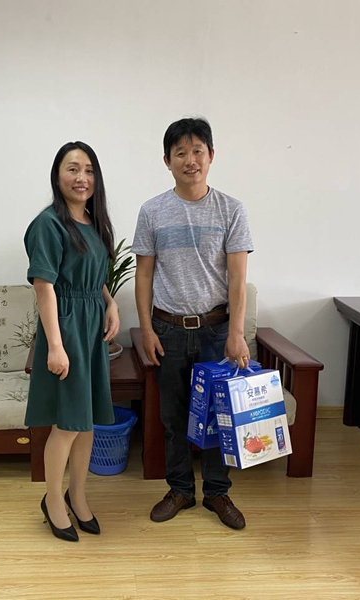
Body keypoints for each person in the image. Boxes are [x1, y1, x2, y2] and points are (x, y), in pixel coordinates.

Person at [132, 117, 253, 530]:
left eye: (197, 151)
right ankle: (180, 489)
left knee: (220, 416)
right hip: (167, 329)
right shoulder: (152, 211)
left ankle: (217, 492)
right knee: (173, 416)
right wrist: (146, 329)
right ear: (167, 161)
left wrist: (236, 333)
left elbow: (237, 278)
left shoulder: (231, 209)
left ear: (211, 156)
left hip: (216, 330)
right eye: (180, 153)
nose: (190, 160)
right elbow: (144, 275)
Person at [24, 141, 120, 542]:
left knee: (86, 422)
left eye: (89, 170)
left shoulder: (93, 223)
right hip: (65, 329)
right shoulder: (48, 224)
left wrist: (110, 302)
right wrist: (56, 346)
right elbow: (44, 286)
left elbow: (93, 274)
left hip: (91, 326)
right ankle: (53, 501)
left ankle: (77, 496)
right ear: (57, 175)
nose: (82, 178)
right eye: (73, 169)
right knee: (66, 425)